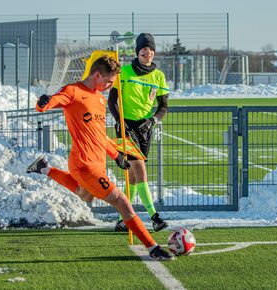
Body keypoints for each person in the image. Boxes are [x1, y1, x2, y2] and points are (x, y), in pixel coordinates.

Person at [26, 55, 173, 261]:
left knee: (85, 195)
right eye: (108, 82)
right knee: (122, 202)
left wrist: (116, 155)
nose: (109, 86)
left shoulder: (99, 98)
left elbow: (99, 134)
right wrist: (43, 103)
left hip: (98, 161)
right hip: (84, 164)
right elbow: (53, 101)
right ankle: (153, 247)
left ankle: (45, 168)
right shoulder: (74, 91)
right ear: (96, 75)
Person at [108, 33, 169, 232]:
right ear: (138, 51)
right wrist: (120, 122)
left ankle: (121, 219)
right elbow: (112, 101)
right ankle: (154, 217)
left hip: (145, 128)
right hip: (127, 128)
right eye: (144, 50)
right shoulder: (123, 72)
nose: (148, 53)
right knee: (141, 172)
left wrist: (153, 120)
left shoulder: (158, 76)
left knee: (133, 178)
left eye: (151, 50)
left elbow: (163, 107)